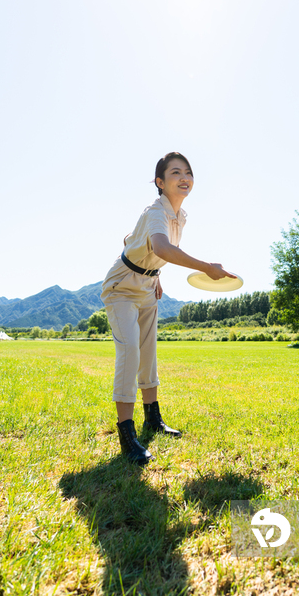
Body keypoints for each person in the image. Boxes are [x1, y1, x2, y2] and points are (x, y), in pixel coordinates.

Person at [101, 152, 235, 465]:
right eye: (176, 172)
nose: (184, 177)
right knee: (130, 352)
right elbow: (161, 247)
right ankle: (126, 434)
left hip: (148, 288)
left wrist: (155, 274)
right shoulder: (155, 212)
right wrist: (206, 267)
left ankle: (153, 419)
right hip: (121, 288)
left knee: (148, 355)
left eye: (188, 172)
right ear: (161, 183)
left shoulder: (179, 216)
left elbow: (137, 241)